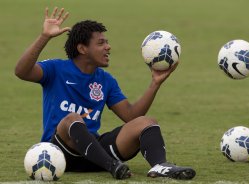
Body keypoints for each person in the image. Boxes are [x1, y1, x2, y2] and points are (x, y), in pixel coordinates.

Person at [15, 7, 196, 180]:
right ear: (82, 48)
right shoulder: (56, 68)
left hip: (94, 154)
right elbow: (21, 71)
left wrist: (155, 84)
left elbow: (131, 115)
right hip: (60, 153)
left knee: (147, 123)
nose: (108, 47)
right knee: (72, 118)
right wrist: (44, 36)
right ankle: (112, 165)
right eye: (101, 43)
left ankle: (160, 165)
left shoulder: (106, 80)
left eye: (107, 42)